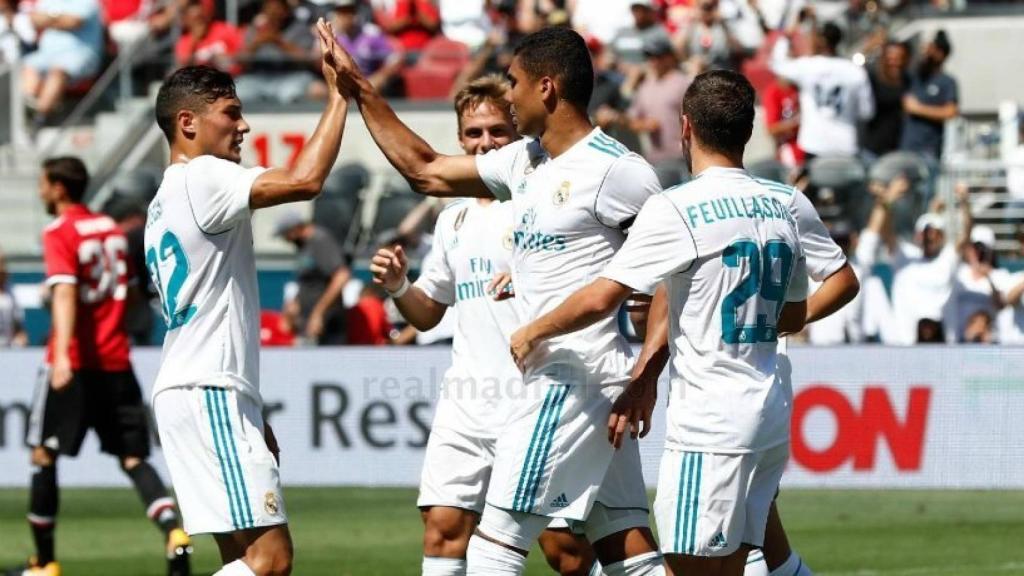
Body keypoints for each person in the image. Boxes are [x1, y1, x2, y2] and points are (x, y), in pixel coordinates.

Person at [334, 25, 666, 576]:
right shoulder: (524, 164)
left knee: (493, 549)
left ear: (547, 88)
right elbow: (426, 169)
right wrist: (362, 91)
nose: (506, 95)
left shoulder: (619, 172)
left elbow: (670, 276)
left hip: (572, 379)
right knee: (627, 551)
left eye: (513, 83)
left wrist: (646, 374)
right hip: (573, 385)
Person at [509, 70, 809, 576]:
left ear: (686, 127)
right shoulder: (784, 203)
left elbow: (604, 295)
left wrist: (533, 330)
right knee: (742, 564)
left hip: (709, 424)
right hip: (770, 410)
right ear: (748, 130)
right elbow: (795, 314)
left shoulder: (678, 207)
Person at [370, 74, 599, 576]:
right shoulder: (452, 219)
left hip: (535, 396)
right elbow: (430, 309)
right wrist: (398, 287)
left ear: (516, 131)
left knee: (565, 551)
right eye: (473, 134)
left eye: (496, 130)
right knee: (443, 529)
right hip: (467, 402)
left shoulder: (539, 204)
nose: (485, 142)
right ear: (459, 140)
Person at [145, 18, 349, 575]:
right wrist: (339, 95)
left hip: (202, 387)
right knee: (270, 561)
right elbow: (306, 180)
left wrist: (249, 407)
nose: (244, 125)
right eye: (230, 113)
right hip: (208, 387)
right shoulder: (202, 177)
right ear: (187, 123)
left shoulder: (164, 198)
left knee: (241, 557)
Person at [18, 157, 191, 576]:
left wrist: (60, 355)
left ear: (59, 188)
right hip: (116, 361)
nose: (41, 192)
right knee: (133, 459)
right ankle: (175, 534)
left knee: (44, 455)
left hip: (76, 363)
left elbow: (64, 295)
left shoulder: (60, 231)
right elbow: (131, 294)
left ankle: (45, 563)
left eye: (43, 184)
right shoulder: (112, 232)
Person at [856, 179, 972, 345]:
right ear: (918, 236)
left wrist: (965, 203)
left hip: (945, 351)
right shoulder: (905, 257)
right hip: (905, 350)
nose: (929, 237)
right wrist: (887, 201)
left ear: (942, 236)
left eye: (934, 232)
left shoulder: (947, 260)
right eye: (925, 233)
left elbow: (965, 234)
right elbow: (886, 231)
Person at [771, 21, 874, 160]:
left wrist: (787, 36)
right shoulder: (855, 71)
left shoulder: (807, 67)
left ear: (821, 41)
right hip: (845, 144)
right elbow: (866, 112)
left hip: (814, 144)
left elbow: (777, 64)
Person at [20, 0, 103, 124]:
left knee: (57, 71)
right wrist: (59, 18)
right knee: (27, 66)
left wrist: (49, 18)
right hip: (46, 55)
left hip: (80, 55)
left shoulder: (88, 2)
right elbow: (34, 19)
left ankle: (38, 117)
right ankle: (26, 109)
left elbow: (73, 22)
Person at [275, 212, 352, 345]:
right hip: (308, 326)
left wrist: (319, 313)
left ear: (295, 229)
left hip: (327, 328)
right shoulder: (303, 246)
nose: (286, 240)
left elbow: (342, 276)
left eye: (285, 235)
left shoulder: (320, 240)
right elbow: (309, 282)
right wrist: (294, 303)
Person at [234, 0, 318, 105]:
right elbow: (241, 60)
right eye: (269, 8)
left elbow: (305, 58)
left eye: (277, 8)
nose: (273, 12)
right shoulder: (254, 30)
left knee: (291, 94)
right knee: (238, 91)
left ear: (286, 11)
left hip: (291, 75)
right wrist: (257, 42)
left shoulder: (299, 29)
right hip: (258, 76)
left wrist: (278, 41)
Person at [900, 30, 958, 161]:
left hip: (928, 151)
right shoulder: (913, 77)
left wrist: (918, 108)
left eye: (931, 49)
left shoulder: (946, 82)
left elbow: (951, 111)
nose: (925, 53)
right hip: (905, 149)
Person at [863, 40, 909, 158]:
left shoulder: (909, 81)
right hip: (873, 149)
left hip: (899, 149)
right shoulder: (873, 80)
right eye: (890, 58)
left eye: (899, 58)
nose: (895, 62)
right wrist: (866, 51)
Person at [174, 0, 242, 74]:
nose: (199, 22)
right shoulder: (184, 41)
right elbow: (181, 69)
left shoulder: (225, 29)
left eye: (201, 17)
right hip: (200, 82)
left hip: (231, 79)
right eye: (196, 19)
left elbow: (244, 57)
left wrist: (227, 59)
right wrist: (194, 41)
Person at [0, 247, 28, 347]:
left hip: (7, 351)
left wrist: (21, 340)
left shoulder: (10, 291)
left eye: (3, 263)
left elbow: (19, 328)